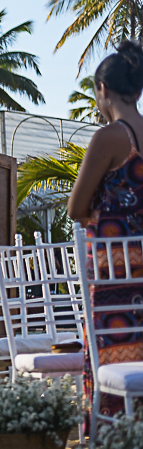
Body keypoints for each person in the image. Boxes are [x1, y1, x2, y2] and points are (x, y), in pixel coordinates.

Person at [68, 40, 143, 421]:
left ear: (103, 90)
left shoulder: (111, 137)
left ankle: (110, 440)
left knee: (105, 348)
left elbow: (75, 208)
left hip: (117, 274)